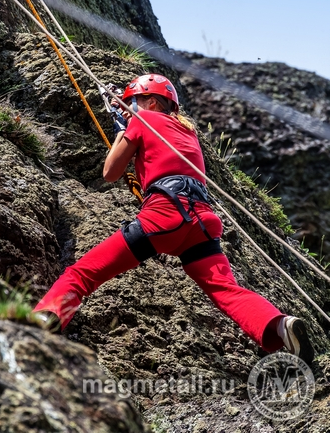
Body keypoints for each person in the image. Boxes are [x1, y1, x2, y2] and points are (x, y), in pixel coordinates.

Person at [34, 74, 314, 364]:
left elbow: (111, 173)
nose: (132, 108)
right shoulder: (187, 130)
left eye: (135, 102)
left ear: (151, 101)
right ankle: (280, 326)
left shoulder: (143, 121)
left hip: (164, 215)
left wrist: (122, 131)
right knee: (226, 290)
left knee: (82, 274)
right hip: (202, 222)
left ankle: (47, 318)